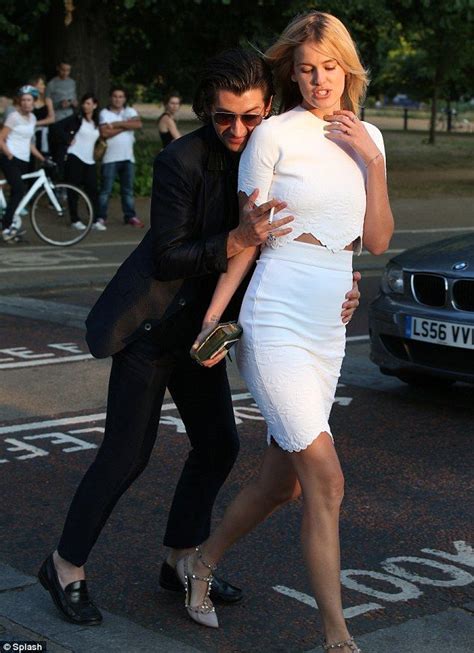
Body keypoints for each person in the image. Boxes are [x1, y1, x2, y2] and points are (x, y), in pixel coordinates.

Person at [37, 48, 361, 627]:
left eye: (251, 117)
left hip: (205, 337)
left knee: (219, 446)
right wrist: (236, 238)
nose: (238, 130)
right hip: (152, 329)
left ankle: (179, 557)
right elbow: (167, 257)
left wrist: (344, 280)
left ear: (267, 109)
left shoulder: (275, 152)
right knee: (125, 455)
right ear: (204, 112)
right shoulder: (179, 161)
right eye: (224, 118)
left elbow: (297, 238)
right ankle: (65, 565)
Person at [180, 12, 394, 651]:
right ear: (291, 72)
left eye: (329, 67)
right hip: (274, 314)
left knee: (284, 481)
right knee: (325, 478)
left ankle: (201, 562)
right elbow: (249, 240)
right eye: (306, 69)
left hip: (331, 323)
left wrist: (370, 161)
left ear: (346, 68)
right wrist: (216, 315)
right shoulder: (273, 135)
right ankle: (336, 637)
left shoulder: (369, 136)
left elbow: (376, 240)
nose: (318, 80)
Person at [0, 85, 48, 242]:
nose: (26, 103)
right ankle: (6, 227)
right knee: (19, 189)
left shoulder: (33, 118)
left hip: (24, 160)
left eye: (29, 100)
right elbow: (1, 138)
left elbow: (29, 143)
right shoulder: (13, 117)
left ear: (34, 101)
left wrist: (43, 158)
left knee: (16, 193)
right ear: (19, 102)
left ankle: (11, 223)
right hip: (10, 159)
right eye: (23, 100)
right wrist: (9, 155)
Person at [96, 87, 144, 228]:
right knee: (105, 191)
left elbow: (138, 124)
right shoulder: (104, 113)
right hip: (109, 158)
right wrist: (126, 126)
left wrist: (116, 125)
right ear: (111, 97)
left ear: (124, 98)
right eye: (115, 96)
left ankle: (130, 216)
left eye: (121, 96)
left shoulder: (129, 111)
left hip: (128, 158)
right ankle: (101, 217)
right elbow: (104, 133)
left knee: (128, 191)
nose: (118, 99)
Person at [54, 93, 102, 231]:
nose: (85, 106)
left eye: (88, 103)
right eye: (84, 103)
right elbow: (56, 127)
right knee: (73, 190)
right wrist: (67, 139)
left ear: (95, 105)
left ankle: (94, 219)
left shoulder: (96, 122)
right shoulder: (76, 119)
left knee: (92, 190)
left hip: (89, 160)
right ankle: (75, 219)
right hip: (75, 157)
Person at [46, 62, 78, 179]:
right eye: (63, 70)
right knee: (58, 151)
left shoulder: (72, 82)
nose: (65, 73)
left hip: (70, 117)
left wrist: (74, 103)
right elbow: (48, 102)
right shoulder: (52, 84)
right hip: (58, 119)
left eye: (68, 70)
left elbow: (74, 97)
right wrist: (59, 104)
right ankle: (56, 179)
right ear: (58, 69)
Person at [30, 75, 55, 160]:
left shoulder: (47, 100)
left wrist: (35, 123)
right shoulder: (29, 102)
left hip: (44, 133)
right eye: (41, 84)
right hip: (31, 134)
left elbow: (52, 119)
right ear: (34, 86)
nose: (44, 86)